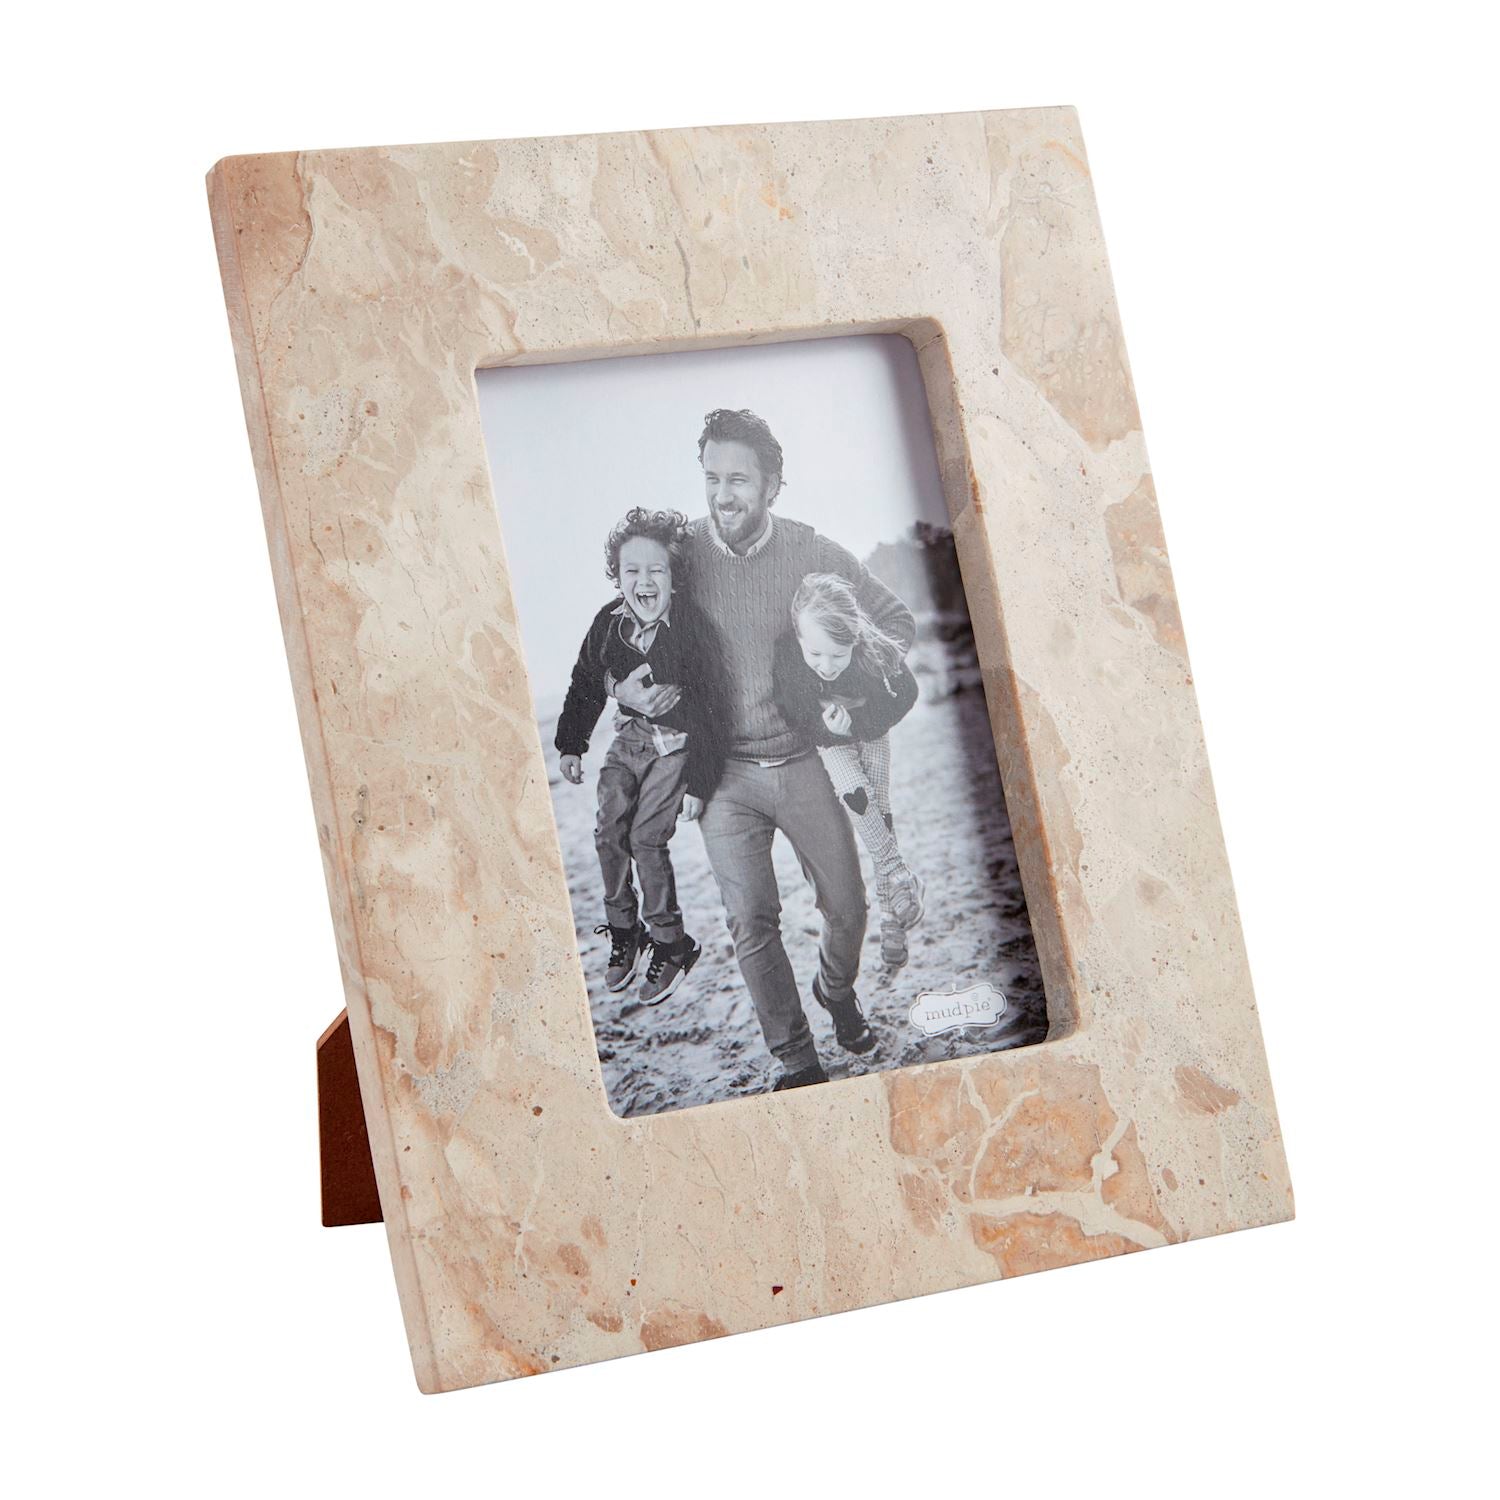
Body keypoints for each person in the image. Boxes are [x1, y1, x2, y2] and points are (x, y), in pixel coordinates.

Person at [610, 409, 916, 1090]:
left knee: (849, 909)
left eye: (739, 480)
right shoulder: (681, 556)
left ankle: (835, 991)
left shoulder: (810, 550)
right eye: (712, 478)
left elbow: (893, 621)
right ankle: (797, 1060)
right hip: (723, 778)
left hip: (808, 762)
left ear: (773, 484)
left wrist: (856, 695)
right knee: (751, 921)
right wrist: (626, 692)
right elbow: (623, 629)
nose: (723, 495)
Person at [555, 507, 728, 1005]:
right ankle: (624, 929)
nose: (644, 581)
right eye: (632, 570)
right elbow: (586, 680)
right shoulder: (608, 623)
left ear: (675, 577)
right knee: (608, 831)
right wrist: (571, 743)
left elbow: (716, 705)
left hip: (675, 747)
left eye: (657, 570)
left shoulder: (692, 626)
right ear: (618, 575)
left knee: (646, 839)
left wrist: (700, 782)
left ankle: (671, 942)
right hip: (628, 741)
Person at [773, 571, 923, 976]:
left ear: (855, 638)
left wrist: (858, 722)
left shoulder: (874, 648)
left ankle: (892, 919)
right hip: (830, 740)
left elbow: (906, 694)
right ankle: (897, 873)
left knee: (881, 809)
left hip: (870, 732)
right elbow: (792, 711)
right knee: (857, 798)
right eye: (815, 654)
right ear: (798, 636)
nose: (826, 666)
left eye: (838, 656)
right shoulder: (788, 656)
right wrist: (826, 729)